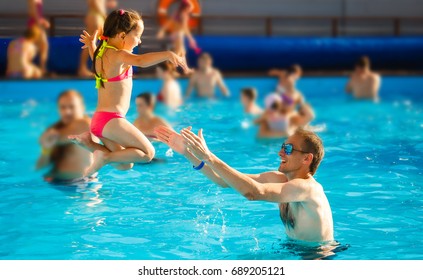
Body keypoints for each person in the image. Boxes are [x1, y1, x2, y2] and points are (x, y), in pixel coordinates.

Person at [155, 126, 334, 243]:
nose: (280, 152)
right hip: (294, 251)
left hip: (318, 258)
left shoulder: (308, 188)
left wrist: (209, 156)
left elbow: (253, 193)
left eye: (288, 149)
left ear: (306, 158)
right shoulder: (279, 179)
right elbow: (223, 180)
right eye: (282, 146)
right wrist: (187, 153)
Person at [69, 9, 190, 176]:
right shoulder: (119, 55)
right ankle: (103, 159)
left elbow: (95, 58)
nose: (139, 41)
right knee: (148, 154)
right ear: (122, 36)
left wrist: (92, 46)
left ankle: (89, 144)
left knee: (125, 165)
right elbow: (140, 61)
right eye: (137, 35)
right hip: (111, 120)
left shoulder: (101, 53)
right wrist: (167, 54)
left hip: (99, 121)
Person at [36, 90, 95, 184]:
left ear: (82, 108)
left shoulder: (85, 124)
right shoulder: (56, 128)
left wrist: (47, 140)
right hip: (55, 183)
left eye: (72, 107)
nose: (67, 111)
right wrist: (46, 150)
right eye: (63, 107)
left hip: (82, 185)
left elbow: (49, 139)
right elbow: (41, 165)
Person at [78, 0, 118, 77]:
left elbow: (97, 3)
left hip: (96, 16)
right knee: (91, 42)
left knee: (95, 41)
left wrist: (106, 4)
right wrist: (105, 15)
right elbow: (95, 3)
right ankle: (83, 68)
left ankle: (88, 68)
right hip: (95, 16)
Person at [157, 0, 199, 71]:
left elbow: (169, 22)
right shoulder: (184, 15)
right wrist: (191, 39)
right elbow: (185, 28)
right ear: (186, 8)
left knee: (182, 52)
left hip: (174, 34)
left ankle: (185, 69)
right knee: (178, 52)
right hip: (179, 34)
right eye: (190, 8)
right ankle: (169, 68)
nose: (190, 10)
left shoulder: (177, 13)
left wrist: (162, 30)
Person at [27, 0, 49, 75]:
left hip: (36, 24)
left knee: (42, 46)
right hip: (34, 25)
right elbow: (33, 12)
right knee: (38, 46)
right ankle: (41, 68)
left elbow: (37, 14)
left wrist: (42, 21)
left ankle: (42, 68)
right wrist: (39, 24)